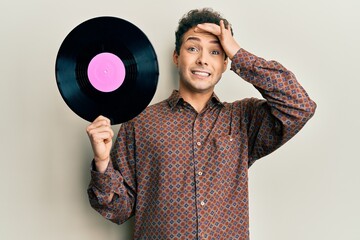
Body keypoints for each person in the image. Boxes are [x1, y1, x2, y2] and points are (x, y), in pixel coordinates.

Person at [86, 8, 316, 239]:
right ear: (176, 57)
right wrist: (103, 161)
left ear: (226, 63)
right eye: (192, 48)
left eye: (215, 51)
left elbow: (299, 106)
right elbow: (118, 210)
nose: (203, 59)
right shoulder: (141, 123)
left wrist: (238, 53)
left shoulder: (243, 118)